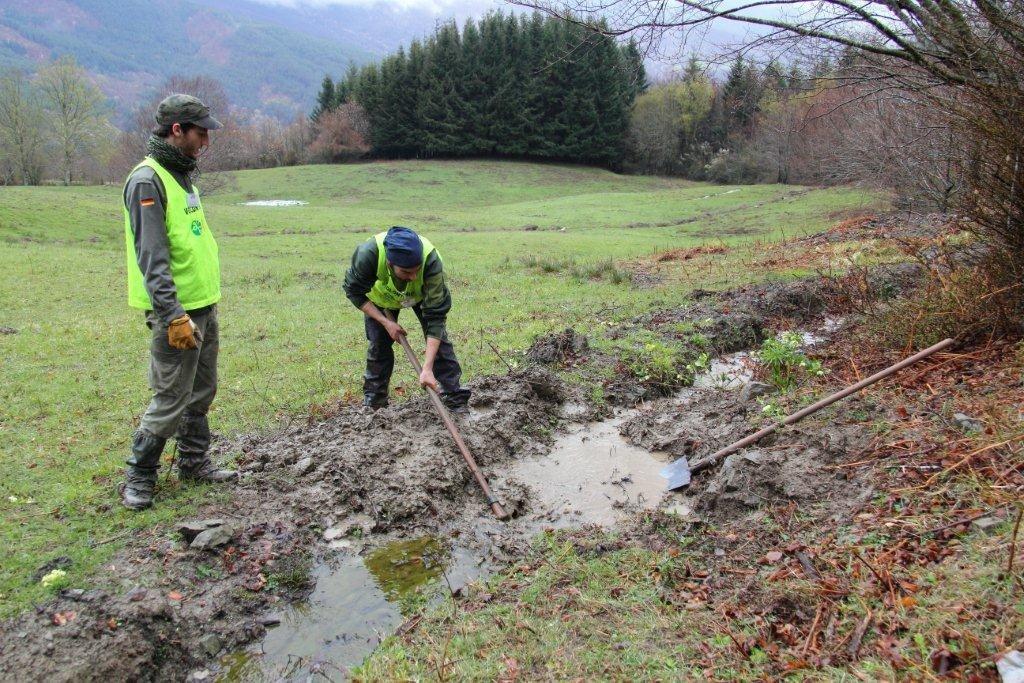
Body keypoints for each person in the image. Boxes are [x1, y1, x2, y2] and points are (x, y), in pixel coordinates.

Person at [120, 94, 236, 511]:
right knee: (171, 395)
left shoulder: (182, 174)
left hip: (203, 304)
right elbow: (152, 255)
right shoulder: (147, 180)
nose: (206, 140)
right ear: (177, 130)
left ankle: (194, 462)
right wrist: (172, 314)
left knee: (201, 390)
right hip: (177, 313)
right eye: (200, 132)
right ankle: (140, 475)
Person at [343, 226, 472, 413]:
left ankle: (455, 398)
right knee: (379, 345)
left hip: (420, 296)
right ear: (389, 263)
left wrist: (426, 369)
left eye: (416, 271)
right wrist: (386, 322)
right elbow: (354, 292)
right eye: (405, 272)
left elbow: (436, 317)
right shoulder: (368, 254)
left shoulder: (430, 261)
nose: (412, 277)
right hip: (381, 299)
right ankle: (375, 405)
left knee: (439, 343)